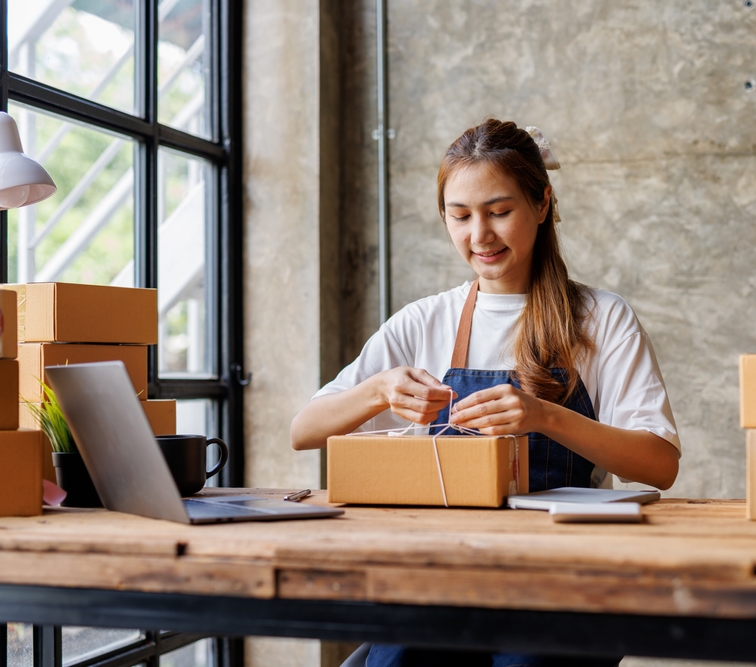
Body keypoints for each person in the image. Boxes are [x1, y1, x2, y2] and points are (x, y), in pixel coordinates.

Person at [290, 119, 681, 666]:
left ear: (542, 204)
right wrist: (378, 390)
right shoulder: (424, 321)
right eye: (461, 215)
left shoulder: (602, 319)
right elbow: (303, 431)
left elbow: (660, 464)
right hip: (441, 574)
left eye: (499, 212)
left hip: (560, 579)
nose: (480, 235)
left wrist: (545, 415)